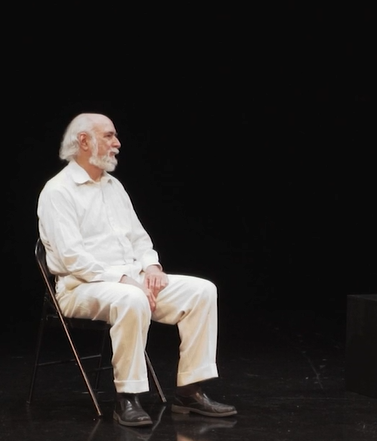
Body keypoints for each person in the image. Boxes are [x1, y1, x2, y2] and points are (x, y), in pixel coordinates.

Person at [37, 113, 237, 427]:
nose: (117, 143)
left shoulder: (113, 186)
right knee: (131, 298)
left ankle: (189, 391)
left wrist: (152, 267)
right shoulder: (58, 191)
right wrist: (127, 280)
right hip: (80, 287)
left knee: (202, 291)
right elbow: (72, 258)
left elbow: (139, 238)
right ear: (84, 141)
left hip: (133, 280)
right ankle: (127, 398)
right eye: (109, 136)